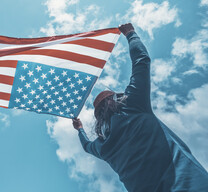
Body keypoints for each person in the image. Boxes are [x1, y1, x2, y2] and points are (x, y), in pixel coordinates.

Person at [72, 23, 208, 192]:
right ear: (115, 99)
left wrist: (80, 129)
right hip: (190, 184)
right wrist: (131, 34)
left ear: (98, 117)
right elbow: (141, 61)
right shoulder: (133, 105)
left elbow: (86, 146)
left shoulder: (103, 147)